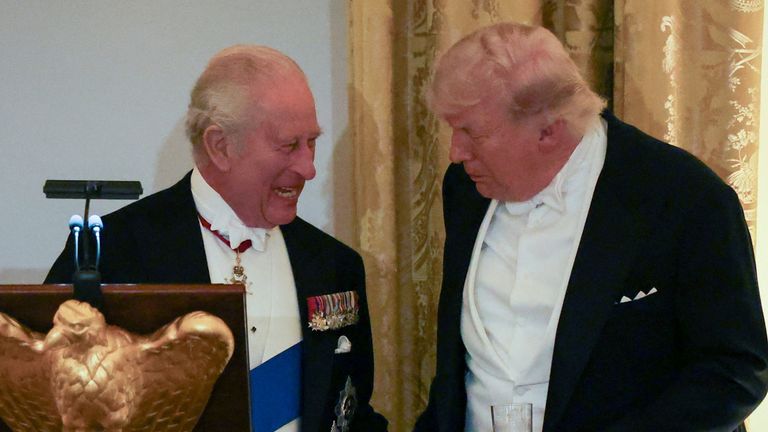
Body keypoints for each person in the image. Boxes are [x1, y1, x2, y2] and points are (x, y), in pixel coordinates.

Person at [414, 22, 768, 432]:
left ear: (548, 130)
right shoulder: (466, 188)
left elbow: (735, 370)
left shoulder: (684, 199)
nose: (455, 152)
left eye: (471, 133)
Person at [46, 45, 387, 432]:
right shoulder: (110, 252)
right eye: (289, 145)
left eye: (312, 142)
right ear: (220, 146)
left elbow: (353, 414)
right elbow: (52, 405)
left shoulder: (333, 265)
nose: (308, 168)